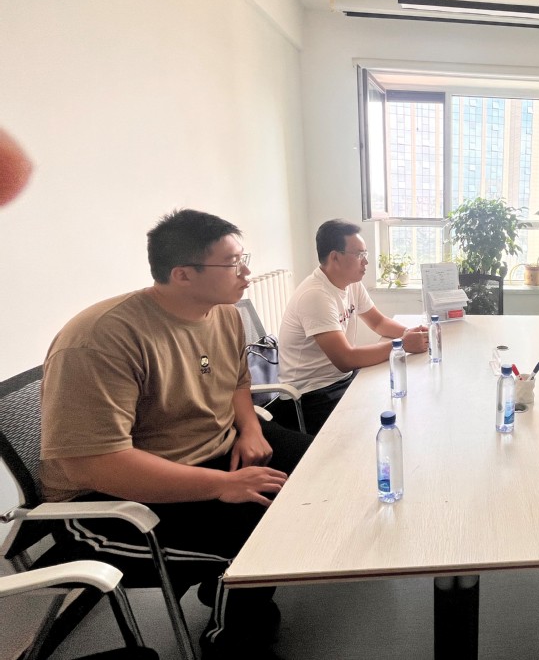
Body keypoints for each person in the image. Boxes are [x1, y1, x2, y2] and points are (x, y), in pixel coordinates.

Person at [40, 209, 313, 658]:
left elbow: (237, 382)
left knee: (318, 473)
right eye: (233, 263)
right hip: (109, 498)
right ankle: (231, 644)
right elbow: (95, 465)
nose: (246, 273)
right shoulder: (101, 339)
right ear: (183, 274)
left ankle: (229, 592)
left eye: (243, 259)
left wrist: (248, 428)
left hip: (211, 451)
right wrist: (222, 484)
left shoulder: (224, 314)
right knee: (258, 533)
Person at [275, 219, 428, 434]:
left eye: (365, 254)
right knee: (378, 421)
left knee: (399, 395)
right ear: (335, 257)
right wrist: (402, 344)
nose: (366, 261)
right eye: (359, 255)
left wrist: (409, 333)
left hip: (340, 381)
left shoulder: (351, 284)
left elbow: (378, 322)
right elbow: (345, 360)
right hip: (311, 395)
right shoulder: (315, 295)